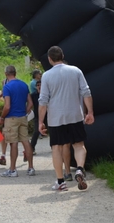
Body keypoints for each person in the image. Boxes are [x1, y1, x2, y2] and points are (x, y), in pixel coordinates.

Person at [38, 46, 94, 191]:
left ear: (50, 59)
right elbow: (86, 92)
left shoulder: (47, 75)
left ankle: (60, 181)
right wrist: (90, 113)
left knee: (56, 148)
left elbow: (43, 101)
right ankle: (80, 169)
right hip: (75, 115)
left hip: (56, 118)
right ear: (62, 55)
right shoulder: (76, 71)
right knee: (79, 145)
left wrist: (40, 122)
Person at [0, 65, 35, 177]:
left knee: (13, 143)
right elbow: (31, 103)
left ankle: (13, 169)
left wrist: (2, 117)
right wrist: (25, 112)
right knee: (25, 141)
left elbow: (7, 106)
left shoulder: (7, 87)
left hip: (11, 118)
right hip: (22, 117)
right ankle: (31, 167)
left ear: (6, 74)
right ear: (15, 73)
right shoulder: (24, 84)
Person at [0, 76, 9, 165]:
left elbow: (7, 105)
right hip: (11, 111)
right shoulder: (5, 82)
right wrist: (0, 95)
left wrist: (2, 117)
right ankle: (3, 155)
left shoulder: (9, 84)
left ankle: (26, 151)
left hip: (10, 112)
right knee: (4, 134)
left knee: (13, 137)